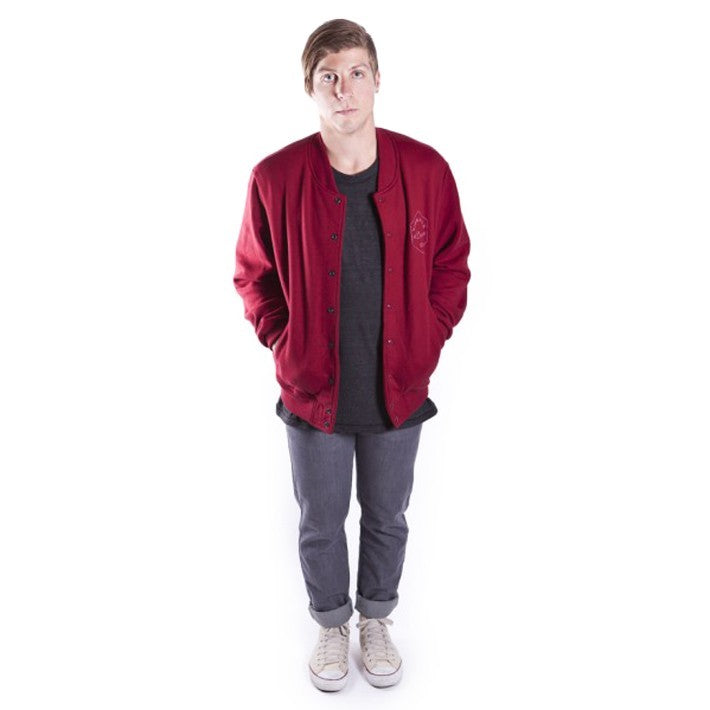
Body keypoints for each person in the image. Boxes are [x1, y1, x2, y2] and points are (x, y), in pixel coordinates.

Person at [233, 18, 471, 691]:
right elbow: (254, 275)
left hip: (398, 384)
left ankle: (376, 619)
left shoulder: (425, 170)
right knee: (320, 520)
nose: (344, 89)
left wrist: (429, 334)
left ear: (377, 80)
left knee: (389, 516)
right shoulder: (274, 177)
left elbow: (451, 263)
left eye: (356, 73)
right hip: (314, 388)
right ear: (309, 88)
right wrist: (284, 340)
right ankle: (333, 624)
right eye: (328, 77)